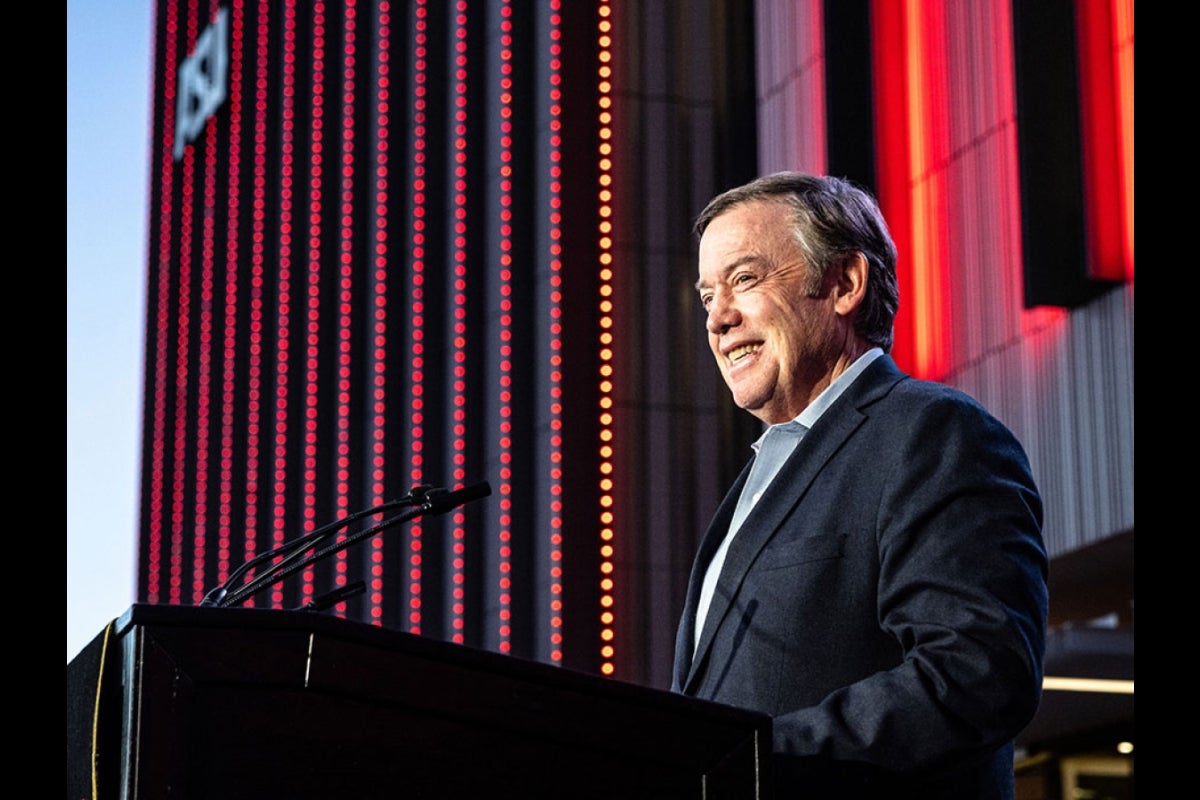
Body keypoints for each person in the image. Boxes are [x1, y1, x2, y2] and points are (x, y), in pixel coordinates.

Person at [673, 172, 1049, 799]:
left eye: (743, 280)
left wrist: (753, 761)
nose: (718, 319)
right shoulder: (757, 477)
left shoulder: (932, 435)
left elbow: (975, 674)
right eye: (707, 295)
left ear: (844, 283)